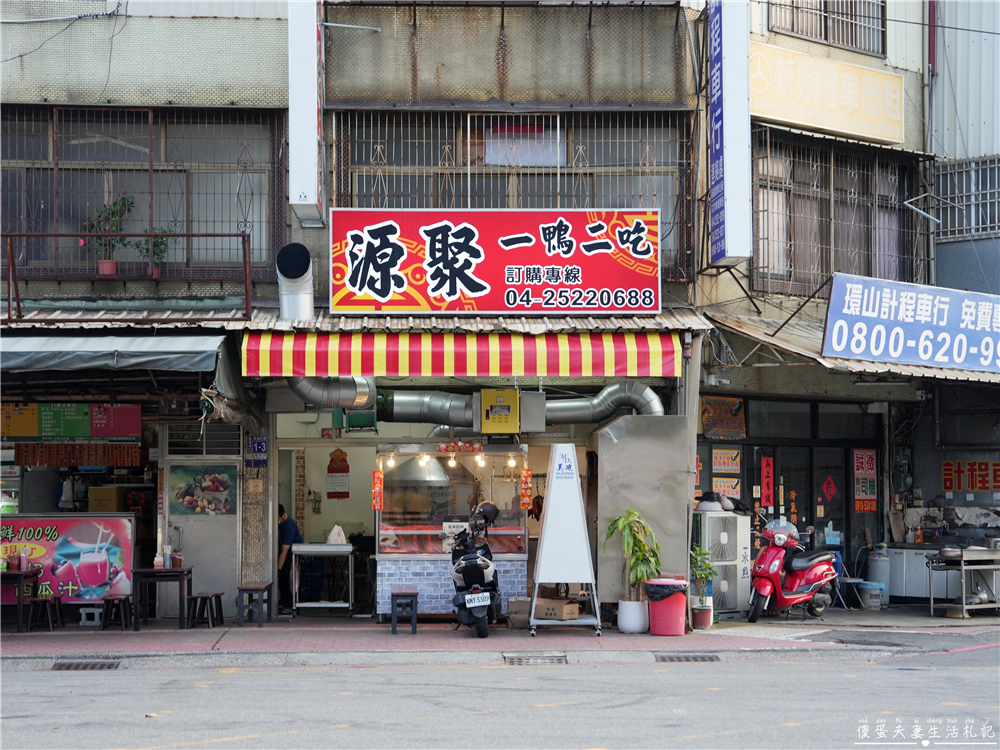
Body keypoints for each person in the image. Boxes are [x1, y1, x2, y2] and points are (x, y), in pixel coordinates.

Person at [277, 503, 303, 615]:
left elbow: (284, 552)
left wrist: (277, 570)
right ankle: (281, 602)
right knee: (282, 576)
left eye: (278, 519)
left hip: (292, 552)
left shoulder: (289, 526)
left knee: (285, 575)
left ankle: (288, 604)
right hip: (284, 550)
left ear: (283, 516)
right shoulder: (279, 523)